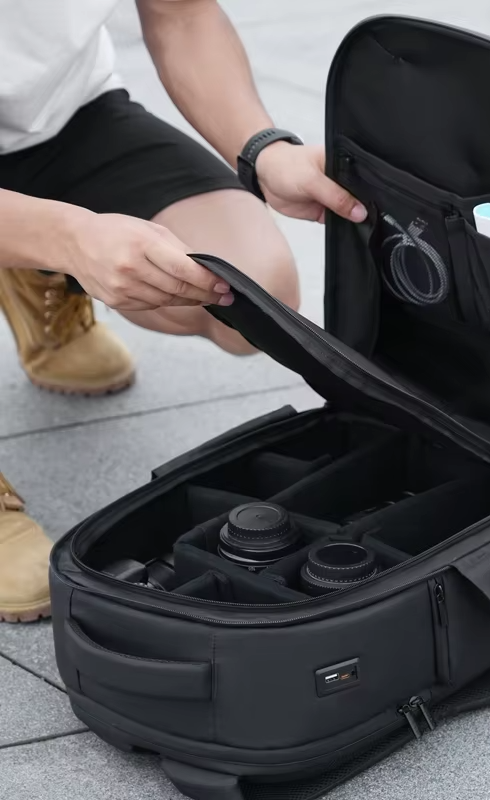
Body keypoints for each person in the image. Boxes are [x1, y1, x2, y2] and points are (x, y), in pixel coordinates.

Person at [0, 0, 367, 623]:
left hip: (63, 120)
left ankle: (29, 269)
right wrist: (67, 237)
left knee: (250, 288)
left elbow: (182, 15)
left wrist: (264, 150)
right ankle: (34, 251)